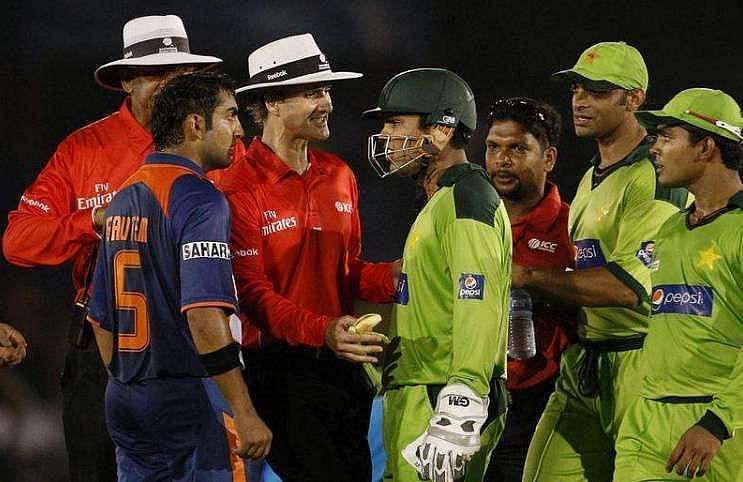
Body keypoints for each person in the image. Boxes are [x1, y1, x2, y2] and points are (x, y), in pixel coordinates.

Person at [1, 15, 224, 480]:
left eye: (180, 75)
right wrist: (93, 221)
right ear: (127, 80)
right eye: (157, 74)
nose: (170, 87)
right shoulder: (83, 149)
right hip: (102, 346)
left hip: (195, 339)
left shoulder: (214, 142)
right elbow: (19, 241)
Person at [213, 33, 399, 482]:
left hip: (344, 366)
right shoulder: (236, 186)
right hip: (280, 374)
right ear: (273, 101)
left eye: (328, 91)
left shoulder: (339, 174)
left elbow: (348, 273)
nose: (328, 103)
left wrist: (402, 277)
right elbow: (252, 295)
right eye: (314, 91)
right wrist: (324, 331)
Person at [515, 42, 690, 481]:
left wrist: (525, 278)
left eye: (596, 90)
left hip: (640, 365)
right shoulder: (594, 174)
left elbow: (628, 289)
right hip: (587, 363)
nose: (579, 100)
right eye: (576, 89)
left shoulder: (655, 176)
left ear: (634, 99)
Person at [86, 71, 272, 480]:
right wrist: (243, 411)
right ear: (194, 124)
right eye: (229, 116)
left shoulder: (122, 197)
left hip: (126, 395)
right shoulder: (199, 197)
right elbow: (204, 316)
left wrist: (131, 384)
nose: (239, 130)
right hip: (188, 395)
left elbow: (99, 317)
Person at [364, 67, 512, 482]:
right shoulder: (440, 200)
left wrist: (462, 398)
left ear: (441, 131)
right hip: (418, 392)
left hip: (441, 399)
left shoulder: (467, 197)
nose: (387, 136)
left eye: (396, 122)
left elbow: (478, 300)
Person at [613, 88, 743, 481]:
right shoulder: (669, 229)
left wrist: (718, 423)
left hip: (714, 433)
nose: (654, 148)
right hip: (644, 425)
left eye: (668, 137)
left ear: (706, 147)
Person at [482, 97, 577, 481]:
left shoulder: (574, 226)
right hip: (476, 398)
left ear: (549, 157)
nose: (502, 160)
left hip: (542, 401)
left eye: (518, 148)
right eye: (493, 148)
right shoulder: (472, 224)